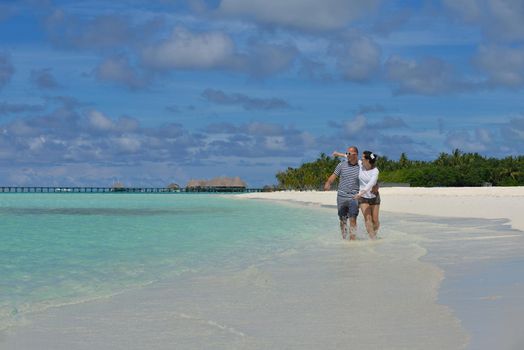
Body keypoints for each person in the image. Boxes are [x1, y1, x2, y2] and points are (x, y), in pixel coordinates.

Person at [324, 146, 360, 240]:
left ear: (355, 155)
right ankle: (344, 239)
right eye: (346, 153)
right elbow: (334, 175)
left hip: (354, 197)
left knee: (353, 218)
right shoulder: (341, 165)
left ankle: (352, 241)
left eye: (349, 154)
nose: (347, 155)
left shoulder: (361, 166)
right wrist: (328, 183)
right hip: (341, 196)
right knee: (342, 219)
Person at [354, 151, 380, 240]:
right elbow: (351, 157)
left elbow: (371, 183)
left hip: (374, 196)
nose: (361, 159)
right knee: (368, 218)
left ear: (368, 160)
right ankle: (373, 239)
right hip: (363, 198)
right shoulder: (360, 164)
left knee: (375, 221)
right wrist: (338, 154)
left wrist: (361, 193)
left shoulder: (375, 171)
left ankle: (374, 234)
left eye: (363, 158)